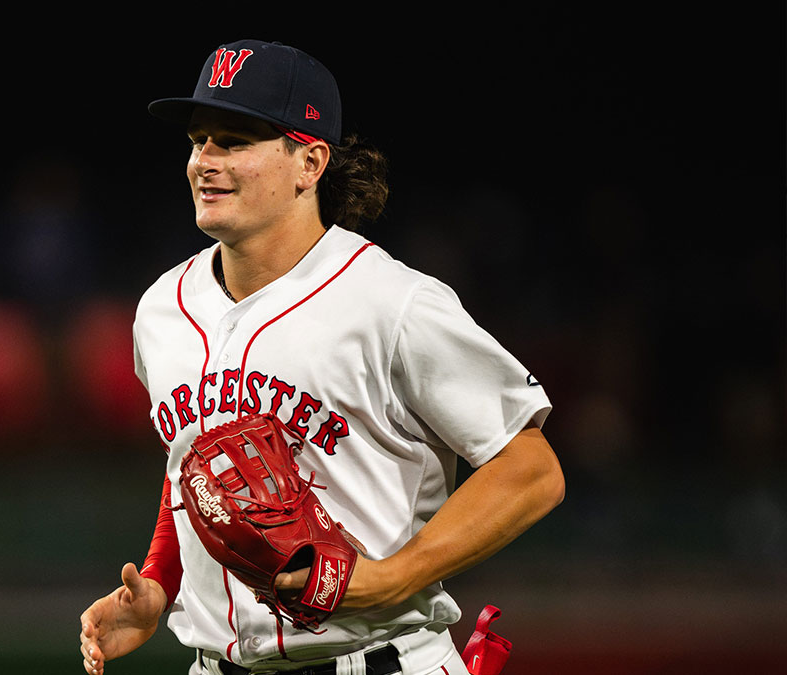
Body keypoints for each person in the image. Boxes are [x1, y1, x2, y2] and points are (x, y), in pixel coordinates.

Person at [79, 39, 564, 675]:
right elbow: (193, 473)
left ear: (309, 162)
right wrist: (159, 584)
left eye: (236, 140)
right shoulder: (161, 308)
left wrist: (397, 576)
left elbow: (531, 469)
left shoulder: (392, 302)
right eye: (199, 140)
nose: (205, 161)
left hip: (378, 658)